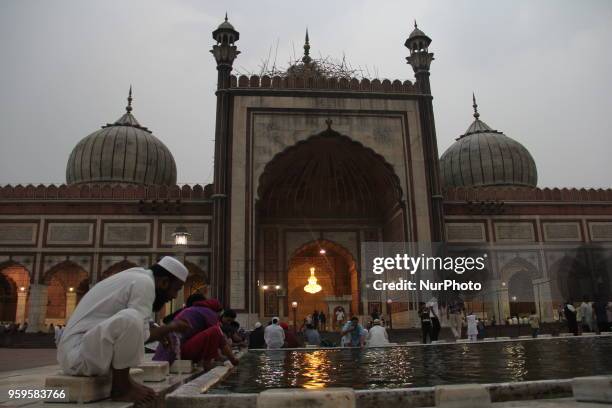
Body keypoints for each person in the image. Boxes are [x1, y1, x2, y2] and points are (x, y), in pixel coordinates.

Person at [57, 256, 191, 404]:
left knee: (134, 319)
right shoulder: (145, 283)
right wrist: (171, 327)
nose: (174, 296)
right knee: (132, 318)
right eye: (176, 289)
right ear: (164, 282)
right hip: (78, 357)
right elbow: (140, 330)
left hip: (82, 351)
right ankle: (121, 387)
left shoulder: (138, 277)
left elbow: (142, 326)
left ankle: (124, 380)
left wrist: (159, 330)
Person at [153, 298, 226, 364]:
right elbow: (219, 337)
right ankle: (207, 363)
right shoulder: (209, 313)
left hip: (166, 354)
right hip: (179, 352)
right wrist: (232, 359)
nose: (174, 296)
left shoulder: (193, 310)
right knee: (215, 331)